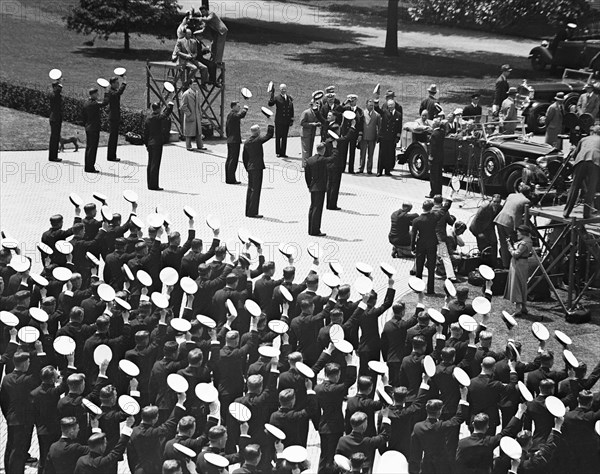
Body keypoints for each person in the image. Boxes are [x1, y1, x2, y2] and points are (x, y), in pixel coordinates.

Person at [563, 125, 600, 219]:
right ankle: (586, 214)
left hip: (580, 161)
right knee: (591, 188)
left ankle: (566, 212)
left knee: (574, 187)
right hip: (594, 162)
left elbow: (574, 154)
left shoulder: (584, 139)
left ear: (592, 132)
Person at [494, 184, 532, 269]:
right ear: (528, 193)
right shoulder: (526, 201)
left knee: (503, 243)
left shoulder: (511, 195)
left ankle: (505, 265)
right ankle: (512, 265)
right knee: (513, 243)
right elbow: (527, 217)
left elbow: (504, 206)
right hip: (510, 223)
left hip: (500, 220)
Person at [242, 120, 274, 218]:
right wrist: (270, 123)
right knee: (256, 190)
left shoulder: (247, 142)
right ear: (258, 132)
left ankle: (248, 211)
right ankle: (253, 212)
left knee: (250, 189)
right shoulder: (258, 140)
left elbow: (244, 157)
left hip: (250, 167)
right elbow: (269, 135)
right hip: (257, 168)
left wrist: (247, 167)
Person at [144, 100, 174, 191]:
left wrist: (146, 144)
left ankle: (149, 184)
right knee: (155, 165)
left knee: (150, 164)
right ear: (157, 109)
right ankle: (154, 185)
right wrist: (170, 105)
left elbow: (145, 132)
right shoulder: (157, 118)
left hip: (150, 143)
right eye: (160, 108)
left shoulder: (148, 118)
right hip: (157, 143)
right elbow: (166, 114)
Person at [504, 225, 533, 317]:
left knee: (516, 285)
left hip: (518, 265)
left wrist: (509, 246)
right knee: (522, 285)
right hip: (522, 264)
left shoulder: (524, 243)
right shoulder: (528, 241)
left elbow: (515, 254)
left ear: (523, 233)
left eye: (518, 232)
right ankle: (524, 307)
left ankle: (518, 309)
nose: (517, 234)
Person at [411, 200, 439, 294]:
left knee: (419, 266)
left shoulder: (416, 220)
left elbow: (413, 235)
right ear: (431, 208)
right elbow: (443, 211)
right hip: (432, 243)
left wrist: (412, 247)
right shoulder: (434, 218)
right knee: (431, 268)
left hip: (421, 244)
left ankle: (418, 287)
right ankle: (430, 289)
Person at [305, 143, 333, 236]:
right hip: (320, 187)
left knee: (312, 208)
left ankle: (310, 229)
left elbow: (307, 175)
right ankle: (315, 230)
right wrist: (335, 147)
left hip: (313, 187)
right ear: (323, 150)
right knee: (318, 209)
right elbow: (334, 158)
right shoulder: (323, 160)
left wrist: (309, 185)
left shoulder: (309, 160)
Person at [469, 195, 502, 268]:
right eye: (494, 202)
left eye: (498, 202)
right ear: (491, 201)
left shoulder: (500, 208)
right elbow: (475, 221)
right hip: (480, 229)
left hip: (490, 228)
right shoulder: (484, 207)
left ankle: (493, 264)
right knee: (483, 247)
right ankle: (483, 265)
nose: (496, 204)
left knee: (494, 243)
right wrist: (478, 233)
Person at [82, 86, 109, 173]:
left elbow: (83, 117)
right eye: (96, 93)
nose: (98, 95)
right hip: (94, 129)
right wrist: (106, 92)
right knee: (93, 148)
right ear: (93, 94)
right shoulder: (94, 104)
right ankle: (90, 167)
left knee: (88, 147)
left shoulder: (86, 103)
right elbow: (105, 102)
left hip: (88, 127)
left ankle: (87, 166)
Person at [373, 97, 403, 176]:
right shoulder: (384, 112)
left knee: (389, 155)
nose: (389, 107)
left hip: (392, 138)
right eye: (388, 105)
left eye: (391, 105)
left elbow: (399, 127)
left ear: (394, 106)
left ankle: (387, 170)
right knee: (382, 154)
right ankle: (379, 171)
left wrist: (397, 137)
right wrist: (376, 100)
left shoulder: (398, 115)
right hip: (384, 137)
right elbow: (376, 109)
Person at [225, 101, 249, 184]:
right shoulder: (233, 115)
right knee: (233, 160)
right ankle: (231, 179)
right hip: (234, 141)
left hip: (230, 140)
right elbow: (241, 115)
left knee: (229, 159)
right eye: (238, 106)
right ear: (233, 107)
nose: (239, 108)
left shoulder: (230, 115)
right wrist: (245, 109)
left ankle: (228, 178)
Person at [268, 83, 294, 158]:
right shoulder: (277, 98)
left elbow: (291, 109)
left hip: (286, 121)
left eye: (285, 89)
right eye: (282, 89)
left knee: (285, 137)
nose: (284, 90)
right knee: (278, 136)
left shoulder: (289, 98)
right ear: (280, 90)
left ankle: (283, 152)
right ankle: (278, 152)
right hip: (279, 121)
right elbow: (270, 104)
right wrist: (272, 94)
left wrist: (291, 119)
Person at [106, 74, 127, 162]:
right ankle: (111, 156)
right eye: (117, 83)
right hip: (113, 117)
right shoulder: (112, 92)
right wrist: (124, 82)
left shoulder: (113, 90)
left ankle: (112, 155)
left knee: (114, 137)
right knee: (113, 137)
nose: (118, 84)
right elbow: (119, 93)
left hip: (115, 116)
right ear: (112, 84)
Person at [180, 82, 205, 152]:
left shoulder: (196, 93)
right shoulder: (186, 94)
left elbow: (198, 105)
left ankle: (200, 145)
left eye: (196, 84)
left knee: (198, 131)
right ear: (190, 85)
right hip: (190, 115)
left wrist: (200, 113)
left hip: (196, 115)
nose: (195, 86)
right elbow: (183, 106)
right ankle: (188, 146)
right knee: (189, 131)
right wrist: (189, 114)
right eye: (193, 84)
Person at [343, 94, 363, 173]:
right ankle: (342, 168)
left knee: (352, 152)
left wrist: (360, 134)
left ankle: (351, 169)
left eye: (353, 100)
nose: (351, 102)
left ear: (356, 100)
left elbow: (361, 123)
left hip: (354, 134)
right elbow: (337, 110)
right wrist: (345, 103)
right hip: (346, 133)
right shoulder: (346, 109)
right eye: (350, 101)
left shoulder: (359, 111)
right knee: (343, 151)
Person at [358, 99, 380, 174]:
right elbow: (359, 125)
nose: (371, 106)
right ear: (366, 105)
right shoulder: (362, 113)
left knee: (370, 154)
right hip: (364, 136)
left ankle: (369, 169)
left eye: (372, 105)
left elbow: (379, 126)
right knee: (362, 154)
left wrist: (378, 137)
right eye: (370, 105)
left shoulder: (377, 115)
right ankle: (361, 168)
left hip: (372, 137)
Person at [299, 100, 321, 166]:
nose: (317, 105)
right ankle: (305, 165)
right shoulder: (306, 112)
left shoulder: (317, 113)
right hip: (305, 134)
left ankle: (309, 164)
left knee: (310, 149)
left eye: (318, 104)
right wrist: (312, 124)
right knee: (306, 151)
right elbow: (302, 123)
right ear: (311, 105)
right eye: (316, 104)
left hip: (312, 133)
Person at [428, 118, 446, 197]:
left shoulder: (434, 134)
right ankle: (439, 193)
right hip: (440, 157)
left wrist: (431, 157)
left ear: (435, 124)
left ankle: (433, 192)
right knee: (439, 176)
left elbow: (433, 147)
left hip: (435, 158)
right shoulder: (442, 132)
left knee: (433, 176)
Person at [49, 80, 63, 162]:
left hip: (54, 118)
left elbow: (59, 91)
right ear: (54, 87)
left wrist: (59, 83)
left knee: (54, 137)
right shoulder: (55, 96)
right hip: (56, 119)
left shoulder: (53, 94)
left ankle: (53, 155)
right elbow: (58, 93)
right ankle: (53, 157)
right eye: (57, 87)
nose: (59, 88)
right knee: (55, 138)